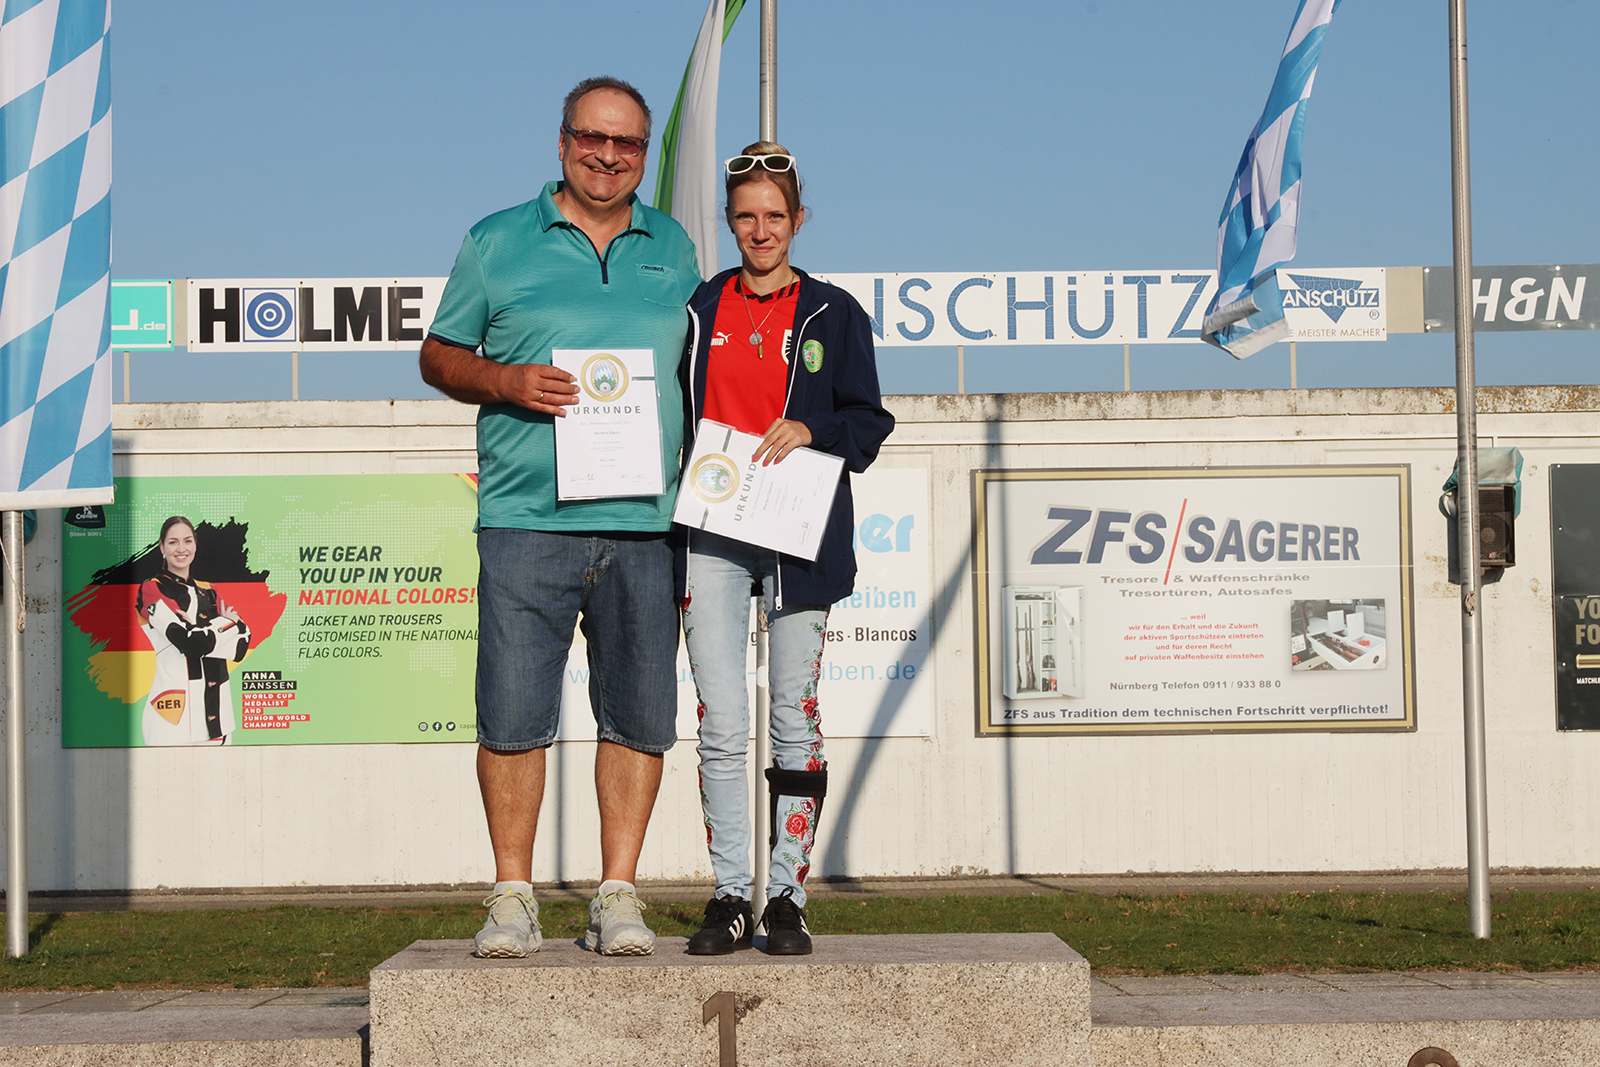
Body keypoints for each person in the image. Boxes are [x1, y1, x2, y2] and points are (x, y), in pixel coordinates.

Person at [419, 77, 700, 958]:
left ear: (643, 152)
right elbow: (437, 354)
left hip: (646, 523)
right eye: (592, 137)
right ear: (562, 140)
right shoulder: (496, 240)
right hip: (525, 518)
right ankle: (512, 896)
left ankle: (617, 894)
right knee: (512, 715)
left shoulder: (674, 245)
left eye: (627, 143)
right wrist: (503, 380)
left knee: (640, 715)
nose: (608, 155)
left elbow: (702, 369)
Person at [677, 143, 894, 955]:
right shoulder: (700, 306)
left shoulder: (834, 313)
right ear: (728, 221)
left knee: (794, 719)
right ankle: (731, 892)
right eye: (746, 216)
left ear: (799, 219)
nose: (760, 230)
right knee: (722, 721)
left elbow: (869, 422)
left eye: (774, 215)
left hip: (799, 537)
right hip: (713, 531)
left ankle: (787, 897)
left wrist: (813, 427)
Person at [136, 516, 251, 746]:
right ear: (162, 547)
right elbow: (191, 644)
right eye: (173, 542)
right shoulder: (152, 588)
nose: (181, 549)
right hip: (173, 719)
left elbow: (242, 643)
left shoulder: (209, 591)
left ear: (195, 545)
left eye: (188, 541)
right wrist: (225, 624)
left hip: (220, 721)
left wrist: (200, 630)